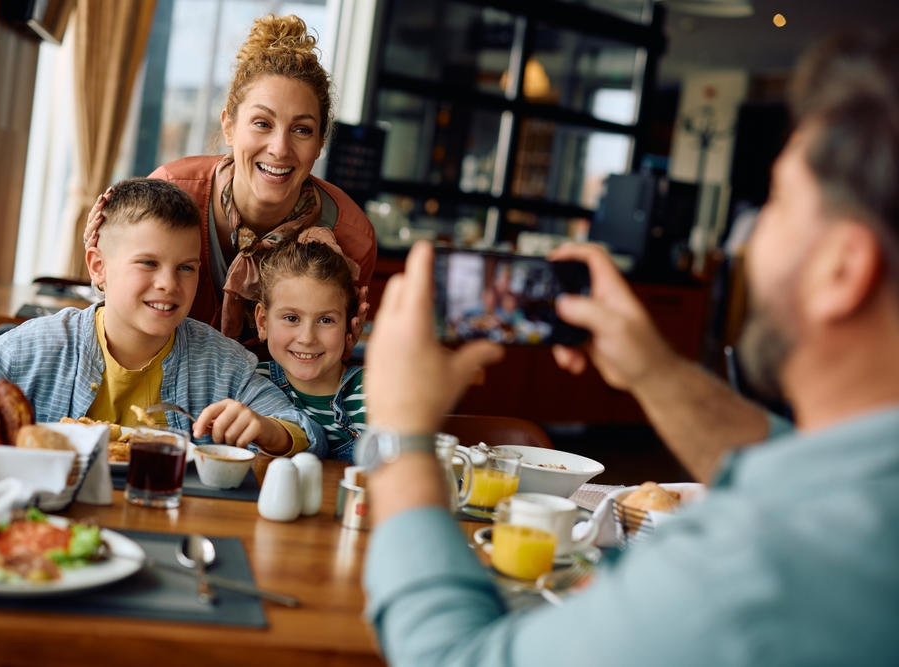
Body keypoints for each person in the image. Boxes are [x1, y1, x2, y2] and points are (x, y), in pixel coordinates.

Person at [357, 32, 899, 666]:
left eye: (777, 202)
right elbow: (801, 481)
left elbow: (447, 658)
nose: (752, 238)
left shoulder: (745, 572)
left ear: (842, 271)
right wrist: (654, 371)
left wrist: (400, 438)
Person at [0, 179, 323, 458]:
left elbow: (307, 433)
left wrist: (268, 430)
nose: (168, 285)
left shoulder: (221, 363)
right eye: (147, 263)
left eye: (186, 267)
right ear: (98, 267)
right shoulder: (41, 346)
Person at [84, 14, 375, 352]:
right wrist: (106, 279)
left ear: (320, 142)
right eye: (262, 123)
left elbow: (328, 361)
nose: (280, 148)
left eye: (302, 129)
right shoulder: (172, 192)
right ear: (229, 126)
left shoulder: (351, 238)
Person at [253, 240, 366, 462]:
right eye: (292, 318)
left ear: (349, 324)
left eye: (326, 320)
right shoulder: (249, 384)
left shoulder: (374, 393)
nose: (307, 338)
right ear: (263, 322)